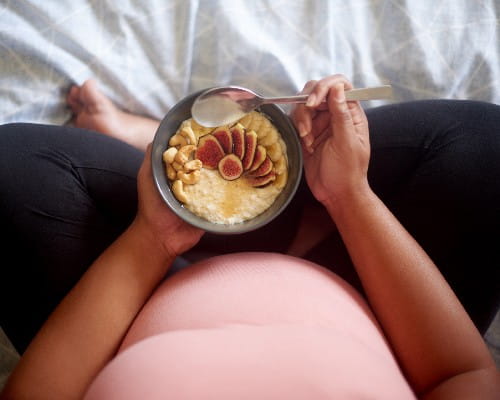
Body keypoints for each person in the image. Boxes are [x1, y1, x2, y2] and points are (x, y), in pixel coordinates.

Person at [0, 75, 499, 398]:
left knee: (13, 167)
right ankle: (300, 197)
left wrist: (153, 238)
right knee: (486, 147)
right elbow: (464, 377)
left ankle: (174, 154)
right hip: (373, 286)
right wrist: (349, 196)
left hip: (142, 284)